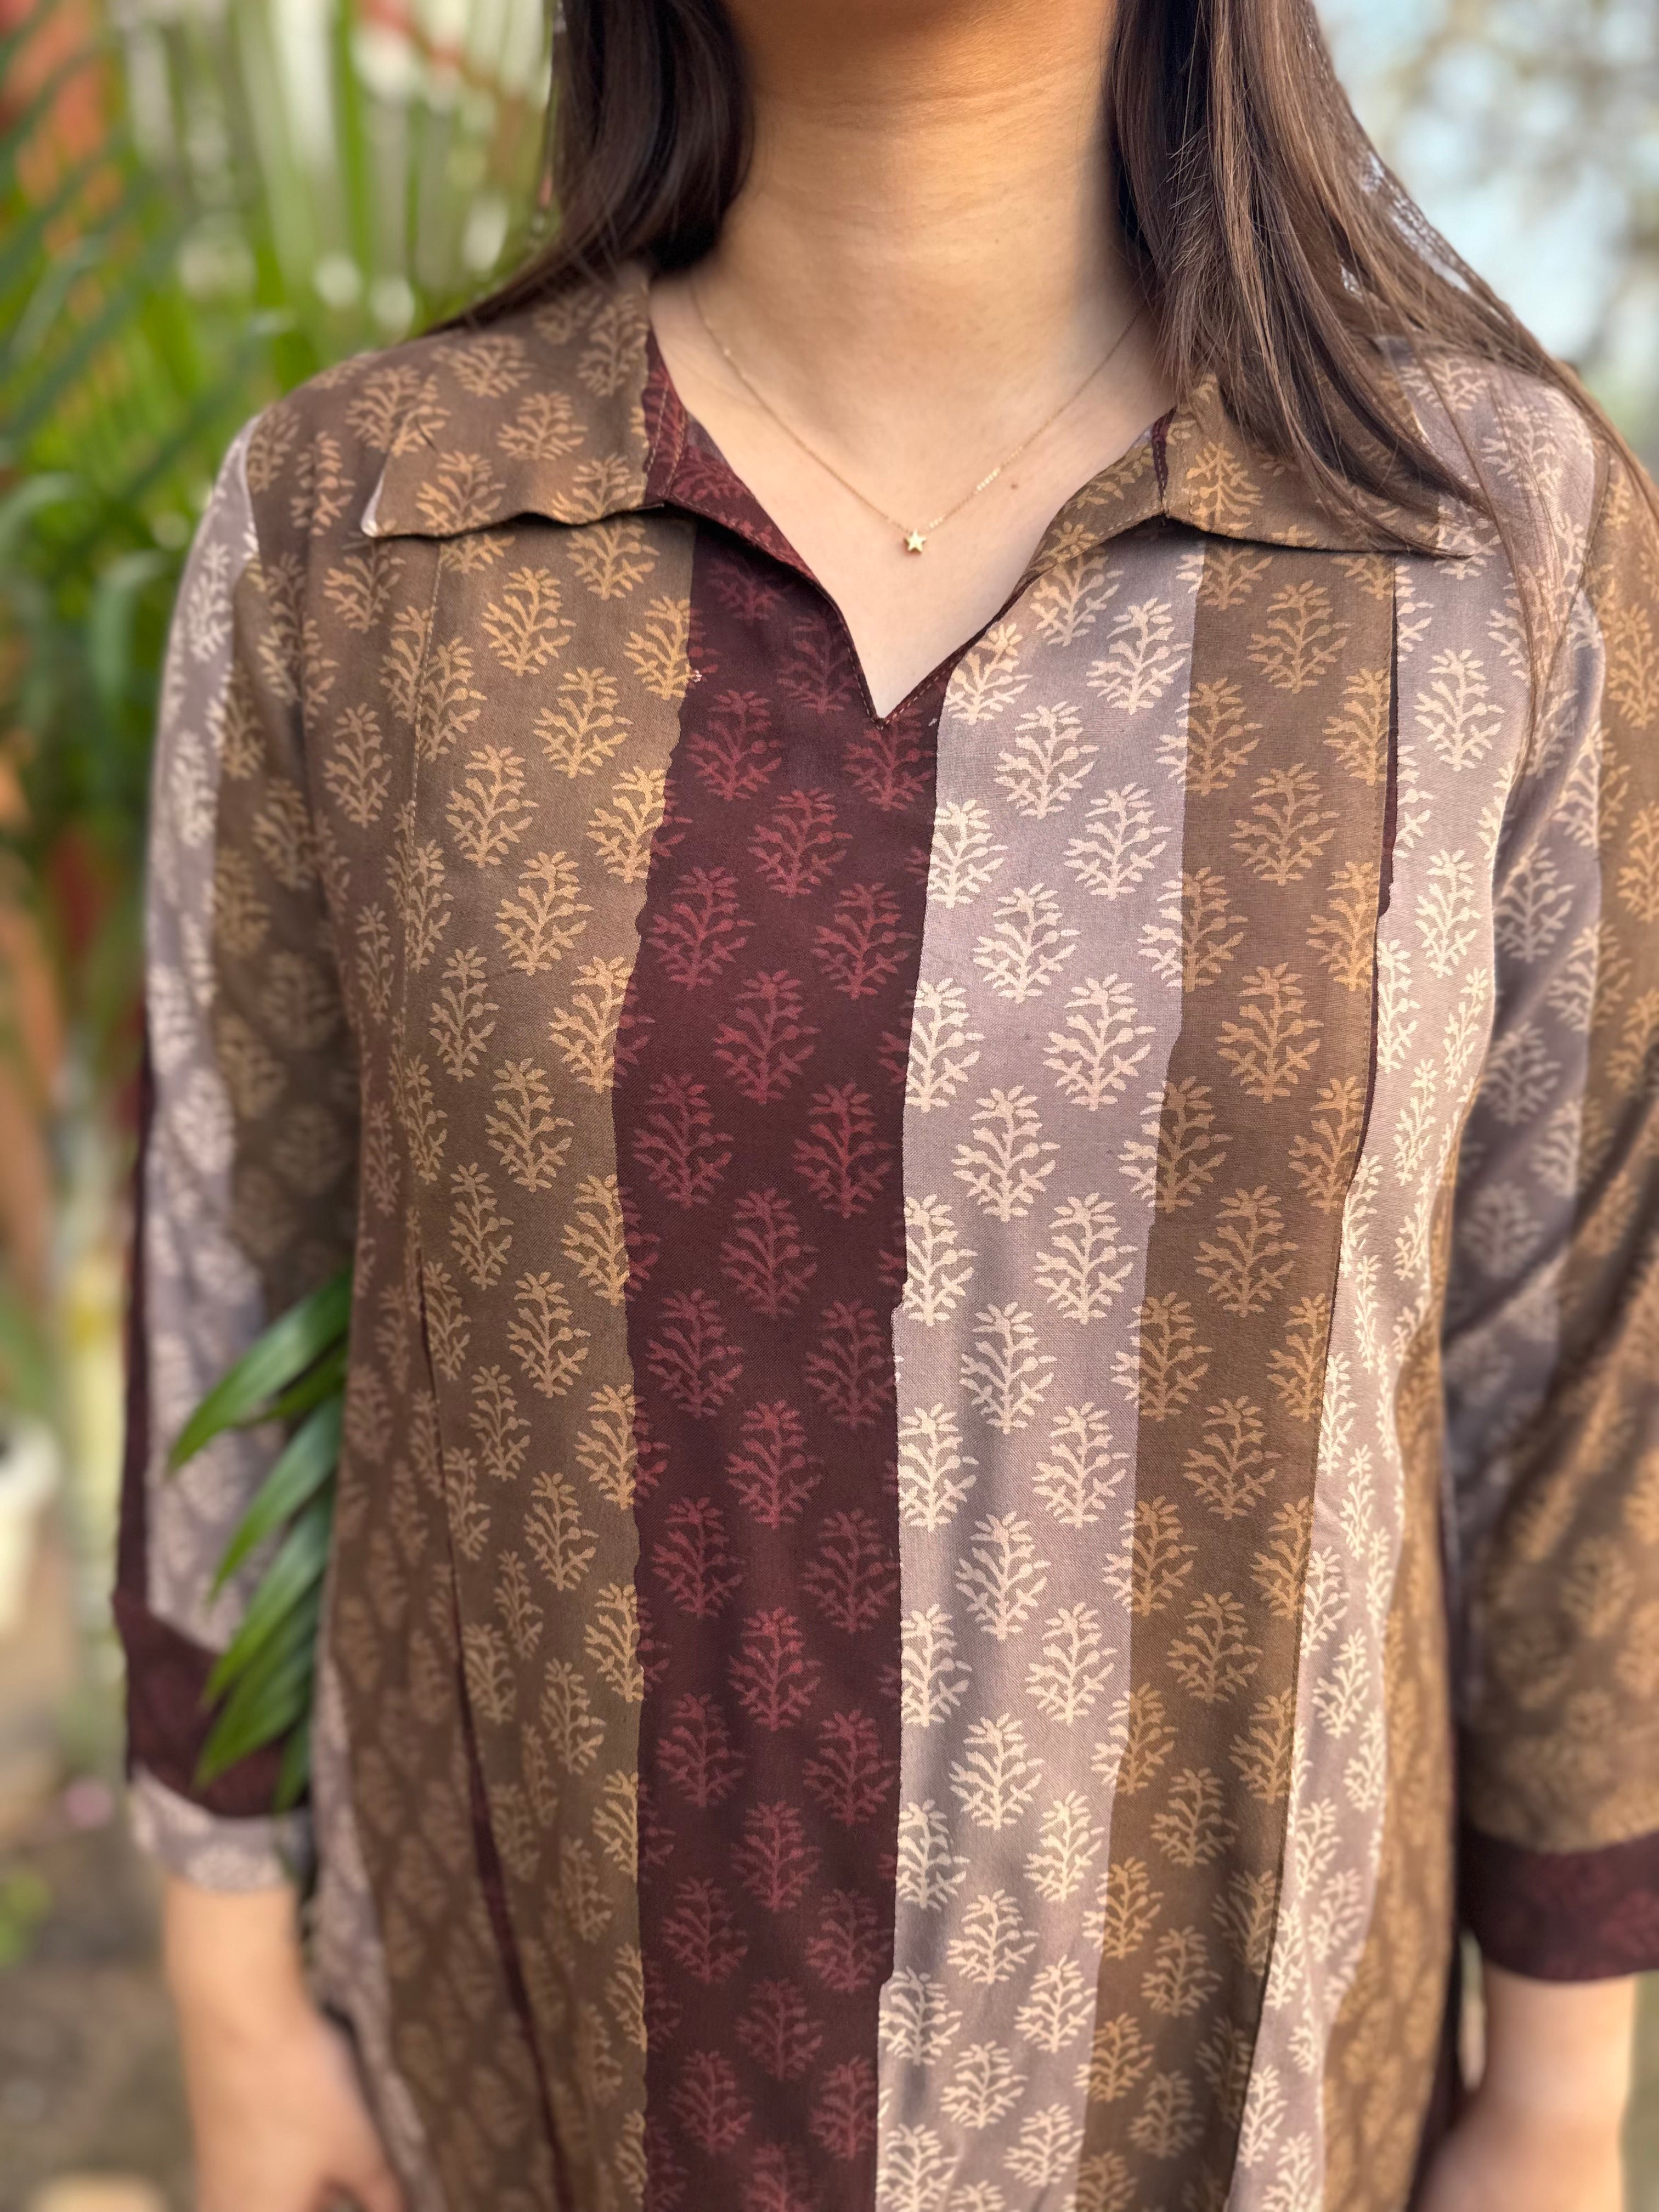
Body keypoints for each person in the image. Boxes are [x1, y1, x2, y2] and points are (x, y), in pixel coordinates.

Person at [116, 1, 1659, 2208]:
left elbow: (1581, 1361)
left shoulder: (1494, 540)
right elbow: (232, 1267)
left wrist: (1563, 2092)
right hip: (531, 2070)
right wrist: (227, 1994)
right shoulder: (357, 530)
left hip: (1257, 2098)